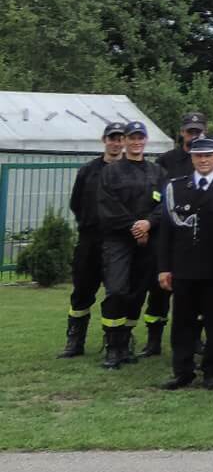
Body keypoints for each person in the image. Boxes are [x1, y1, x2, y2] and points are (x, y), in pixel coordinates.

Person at [154, 134, 213, 390]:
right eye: (199, 155)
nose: (204, 160)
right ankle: (182, 371)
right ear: (191, 158)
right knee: (182, 324)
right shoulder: (176, 186)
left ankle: (212, 372)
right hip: (184, 267)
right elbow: (166, 232)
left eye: (209, 155)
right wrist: (164, 267)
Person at [95, 122, 162, 370]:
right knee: (116, 290)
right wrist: (135, 227)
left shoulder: (157, 172)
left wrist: (149, 224)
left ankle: (125, 344)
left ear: (146, 140)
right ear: (124, 141)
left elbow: (164, 204)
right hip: (118, 241)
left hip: (148, 241)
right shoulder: (111, 172)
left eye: (140, 137)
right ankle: (112, 347)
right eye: (131, 138)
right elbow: (106, 205)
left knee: (136, 294)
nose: (136, 142)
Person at [61, 119, 125, 361]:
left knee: (117, 293)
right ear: (104, 140)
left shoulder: (129, 171)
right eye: (112, 138)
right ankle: (75, 341)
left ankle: (116, 344)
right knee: (82, 290)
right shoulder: (87, 170)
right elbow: (75, 203)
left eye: (120, 139)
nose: (116, 143)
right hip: (89, 239)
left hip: (117, 241)